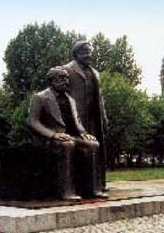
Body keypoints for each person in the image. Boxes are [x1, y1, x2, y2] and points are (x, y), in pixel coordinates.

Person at [27, 66, 106, 200]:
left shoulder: (70, 99)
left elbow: (76, 121)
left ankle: (93, 189)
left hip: (70, 136)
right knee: (67, 145)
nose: (66, 81)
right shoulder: (40, 97)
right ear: (52, 80)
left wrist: (83, 133)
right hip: (49, 139)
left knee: (93, 144)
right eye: (62, 78)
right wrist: (53, 135)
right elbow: (32, 122)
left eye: (67, 78)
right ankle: (66, 191)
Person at [62, 41, 108, 191]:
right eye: (85, 52)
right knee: (78, 151)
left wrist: (104, 116)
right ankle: (78, 186)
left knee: (97, 150)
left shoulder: (95, 73)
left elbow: (99, 97)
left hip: (94, 118)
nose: (89, 55)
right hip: (76, 118)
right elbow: (62, 95)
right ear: (76, 53)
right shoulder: (67, 70)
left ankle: (98, 184)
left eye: (90, 51)